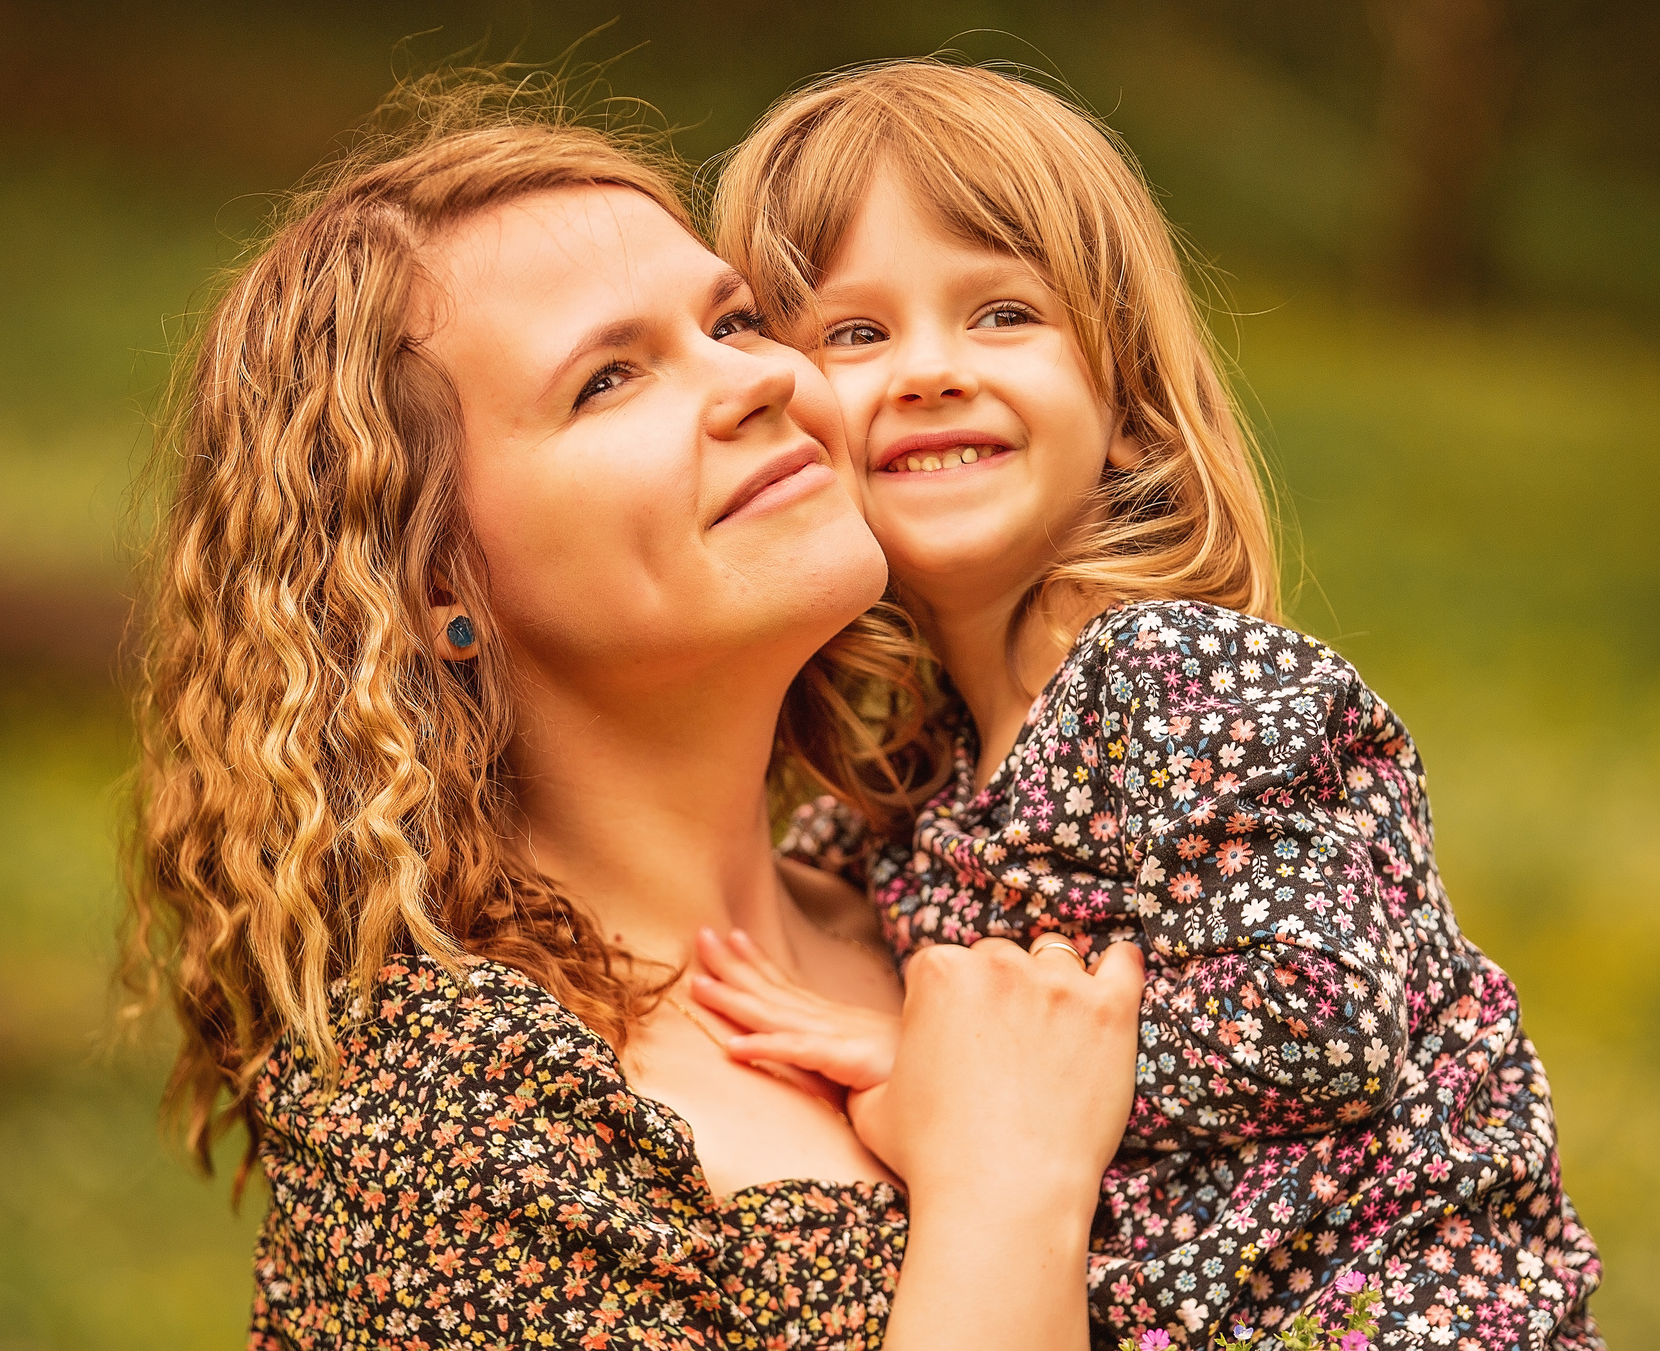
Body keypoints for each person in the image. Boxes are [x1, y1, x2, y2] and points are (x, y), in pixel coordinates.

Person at [123, 70, 1146, 1350]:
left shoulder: (937, 880)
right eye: (608, 380)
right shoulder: (457, 1115)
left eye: (732, 323)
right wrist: (1009, 1189)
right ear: (441, 580)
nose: (757, 384)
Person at [700, 60, 1604, 1349]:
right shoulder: (914, 775)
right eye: (854, 334)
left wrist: (941, 1073)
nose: (927, 371)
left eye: (1001, 314)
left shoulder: (1180, 678)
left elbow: (1316, 1020)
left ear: (1124, 408)